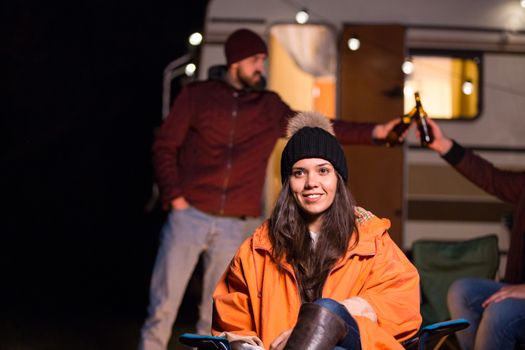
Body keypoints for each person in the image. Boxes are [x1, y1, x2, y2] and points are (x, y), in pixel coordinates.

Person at [139, 28, 403, 350]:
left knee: (215, 315)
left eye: (263, 60)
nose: (260, 67)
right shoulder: (198, 96)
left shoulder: (268, 106)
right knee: (164, 304)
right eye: (255, 60)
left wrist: (376, 131)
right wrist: (175, 197)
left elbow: (314, 128)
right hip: (190, 213)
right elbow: (165, 146)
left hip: (234, 221)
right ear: (236, 61)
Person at [212, 112, 421, 350]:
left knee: (330, 309)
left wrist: (344, 311)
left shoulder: (371, 240)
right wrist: (242, 343)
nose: (311, 182)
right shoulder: (258, 249)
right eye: (299, 173)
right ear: (288, 183)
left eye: (323, 171)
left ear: (338, 179)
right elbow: (231, 317)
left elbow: (403, 308)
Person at [420, 117, 525, 350]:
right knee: (463, 291)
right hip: (516, 287)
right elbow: (495, 180)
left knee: (500, 313)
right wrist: (443, 145)